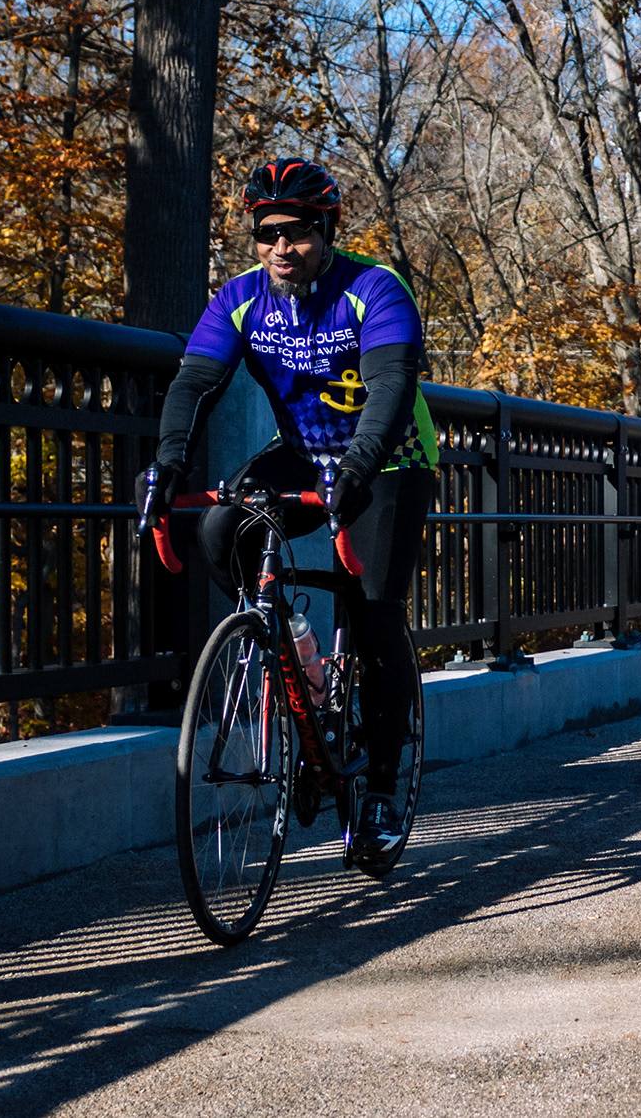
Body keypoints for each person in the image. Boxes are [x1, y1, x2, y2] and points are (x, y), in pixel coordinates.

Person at [135, 158, 437, 860]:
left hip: (389, 458)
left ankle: (384, 792)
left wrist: (360, 467)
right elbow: (195, 382)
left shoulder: (372, 288)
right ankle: (289, 641)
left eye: (297, 232)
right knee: (219, 527)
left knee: (375, 612)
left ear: (326, 228)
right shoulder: (241, 298)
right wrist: (169, 462)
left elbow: (391, 384)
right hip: (302, 452)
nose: (280, 247)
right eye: (267, 233)